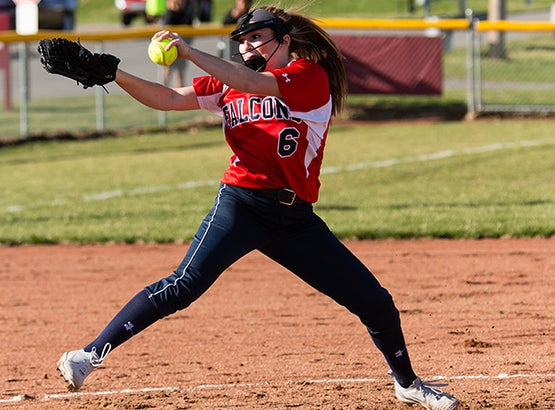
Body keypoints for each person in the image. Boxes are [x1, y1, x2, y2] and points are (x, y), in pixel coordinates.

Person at [56, 6, 459, 409]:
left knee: (374, 302)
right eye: (243, 40)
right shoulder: (225, 83)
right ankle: (87, 356)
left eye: (256, 37)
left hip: (295, 219)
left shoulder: (307, 77)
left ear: (284, 41)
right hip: (241, 203)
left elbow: (255, 82)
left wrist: (189, 51)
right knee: (182, 286)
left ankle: (406, 383)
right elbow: (165, 97)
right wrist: (115, 75)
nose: (247, 45)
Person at [161, 0, 193, 87]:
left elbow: (191, 30)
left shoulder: (186, 13)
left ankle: (180, 92)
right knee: (167, 71)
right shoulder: (169, 13)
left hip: (182, 47)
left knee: (180, 72)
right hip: (169, 47)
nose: (180, 3)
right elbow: (166, 26)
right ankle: (163, 89)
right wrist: (172, 9)